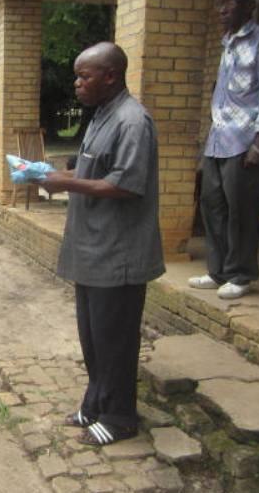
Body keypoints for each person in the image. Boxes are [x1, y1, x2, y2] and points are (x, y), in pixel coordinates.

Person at [31, 42, 165, 446]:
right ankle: (95, 402)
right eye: (76, 76)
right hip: (91, 248)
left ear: (110, 76)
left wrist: (66, 184)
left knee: (116, 340)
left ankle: (120, 417)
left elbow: (125, 183)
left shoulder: (133, 121)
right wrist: (55, 174)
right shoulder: (102, 115)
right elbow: (95, 168)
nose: (76, 84)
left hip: (118, 253)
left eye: (83, 76)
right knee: (93, 338)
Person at [188, 0, 259, 300]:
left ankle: (241, 274)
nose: (222, 8)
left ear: (249, 6)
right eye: (221, 1)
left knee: (241, 211)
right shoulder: (227, 42)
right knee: (212, 205)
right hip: (218, 140)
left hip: (245, 143)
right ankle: (218, 271)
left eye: (231, 1)